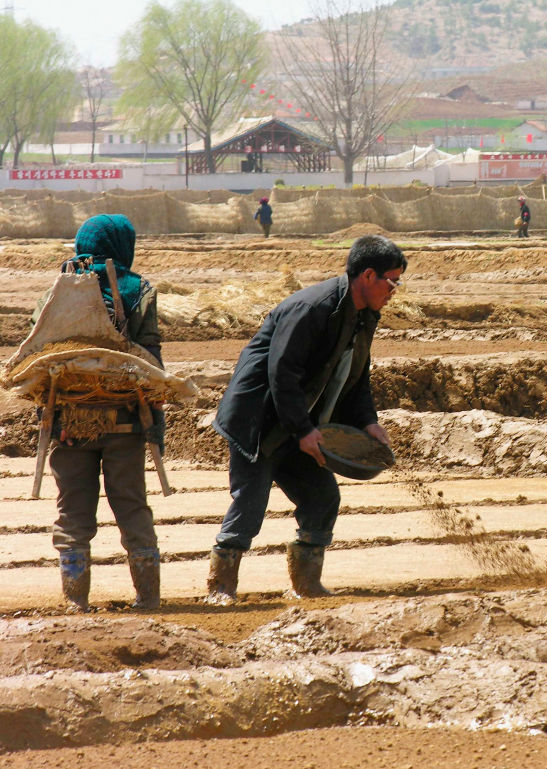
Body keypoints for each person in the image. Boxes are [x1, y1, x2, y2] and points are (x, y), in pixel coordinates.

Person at [205, 234, 407, 604]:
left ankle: (305, 584)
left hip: (300, 423)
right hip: (260, 420)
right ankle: (221, 587)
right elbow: (281, 374)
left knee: (322, 497)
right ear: (367, 276)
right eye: (391, 281)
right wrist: (302, 429)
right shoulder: (313, 308)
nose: (395, 290)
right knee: (250, 503)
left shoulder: (364, 316)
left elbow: (356, 375)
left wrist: (368, 421)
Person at [43, 214, 164, 612]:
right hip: (125, 423)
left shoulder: (58, 290)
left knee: (73, 513)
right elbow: (152, 360)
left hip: (69, 425)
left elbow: (39, 356)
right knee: (131, 505)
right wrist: (156, 427)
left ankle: (75, 601)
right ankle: (147, 599)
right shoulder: (139, 289)